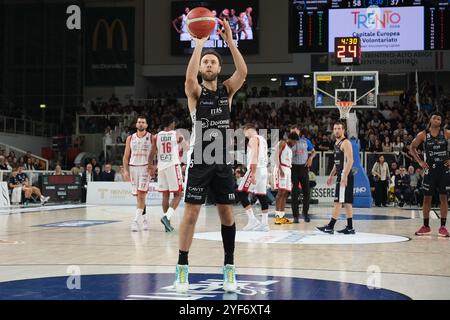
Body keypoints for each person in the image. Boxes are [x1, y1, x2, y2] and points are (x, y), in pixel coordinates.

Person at [175, 19, 247, 293]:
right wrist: (199, 45)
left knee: (227, 214)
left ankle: (229, 267)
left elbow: (243, 72)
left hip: (222, 161)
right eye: (205, 61)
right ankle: (182, 267)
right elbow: (188, 79)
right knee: (191, 214)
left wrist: (230, 41)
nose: (208, 64)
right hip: (200, 159)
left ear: (219, 68)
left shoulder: (227, 91)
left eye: (212, 62)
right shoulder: (195, 92)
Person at [410, 112, 450, 237]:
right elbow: (412, 147)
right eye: (435, 118)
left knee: (443, 197)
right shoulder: (423, 134)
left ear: (441, 121)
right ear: (430, 119)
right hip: (430, 170)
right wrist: (420, 162)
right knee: (427, 198)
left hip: (444, 169)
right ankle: (426, 226)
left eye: (439, 118)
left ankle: (443, 227)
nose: (437, 120)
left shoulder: (446, 133)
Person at [317, 121, 355, 234]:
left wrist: (344, 176)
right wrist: (330, 175)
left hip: (344, 175)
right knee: (347, 202)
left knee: (338, 201)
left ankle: (330, 226)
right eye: (335, 128)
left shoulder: (346, 142)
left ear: (343, 130)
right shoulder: (336, 143)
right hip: (341, 174)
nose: (337, 130)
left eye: (339, 128)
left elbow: (350, 160)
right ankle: (350, 227)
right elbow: (337, 162)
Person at [149, 114, 183, 233]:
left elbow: (152, 153)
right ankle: (166, 217)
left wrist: (150, 167)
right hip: (172, 165)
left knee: (165, 195)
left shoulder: (156, 136)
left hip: (161, 167)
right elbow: (183, 144)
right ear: (172, 123)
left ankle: (167, 224)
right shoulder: (176, 134)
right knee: (179, 194)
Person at [237, 123, 270, 232]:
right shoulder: (263, 139)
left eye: (244, 133)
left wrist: (253, 173)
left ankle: (252, 220)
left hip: (256, 169)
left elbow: (255, 155)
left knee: (241, 193)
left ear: (248, 130)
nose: (245, 135)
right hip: (264, 169)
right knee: (261, 196)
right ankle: (265, 224)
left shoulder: (253, 139)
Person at [122, 116, 153, 232]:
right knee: (139, 198)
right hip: (133, 168)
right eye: (139, 122)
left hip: (145, 168)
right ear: (136, 125)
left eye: (143, 122)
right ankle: (144, 219)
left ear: (146, 125)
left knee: (141, 195)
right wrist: (125, 170)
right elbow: (126, 156)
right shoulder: (130, 138)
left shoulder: (151, 137)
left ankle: (135, 222)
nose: (140, 124)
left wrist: (154, 166)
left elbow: (155, 153)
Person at [290, 126, 317, 223]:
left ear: (299, 131)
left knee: (306, 192)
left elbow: (314, 152)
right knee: (294, 193)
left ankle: (305, 213)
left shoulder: (306, 141)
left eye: (295, 131)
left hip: (304, 168)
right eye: (292, 131)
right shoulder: (289, 142)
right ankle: (295, 216)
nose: (293, 133)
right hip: (293, 168)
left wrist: (310, 159)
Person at [273, 132, 298, 224]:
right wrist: (280, 168)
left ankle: (281, 216)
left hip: (288, 169)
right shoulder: (282, 143)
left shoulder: (289, 148)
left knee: (285, 193)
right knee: (280, 193)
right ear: (290, 139)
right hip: (281, 168)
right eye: (295, 141)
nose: (295, 143)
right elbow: (275, 156)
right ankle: (277, 217)